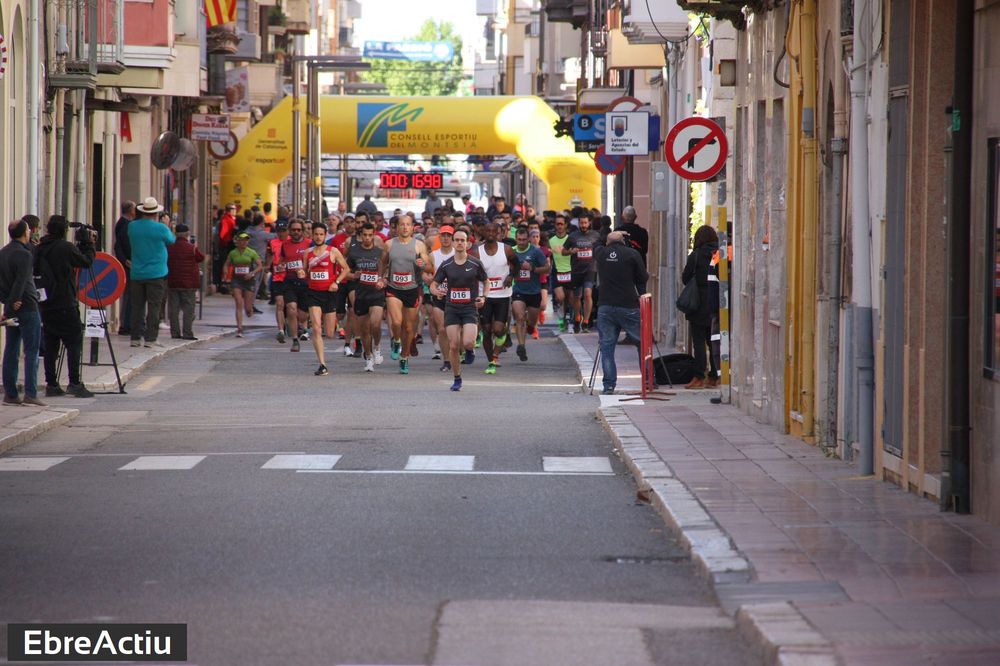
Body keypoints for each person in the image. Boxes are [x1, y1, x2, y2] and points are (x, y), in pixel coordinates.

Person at [34, 215, 97, 398]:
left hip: (46, 303)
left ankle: (52, 384)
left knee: (51, 345)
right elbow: (86, 262)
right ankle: (74, 383)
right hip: (65, 302)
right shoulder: (65, 248)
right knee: (74, 342)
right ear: (64, 230)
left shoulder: (40, 248)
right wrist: (88, 244)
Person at [430, 229, 488, 392]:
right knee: (454, 345)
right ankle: (457, 378)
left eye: (463, 240)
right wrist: (436, 291)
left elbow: (486, 281)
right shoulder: (447, 264)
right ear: (453, 243)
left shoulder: (475, 263)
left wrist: (483, 297)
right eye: (457, 240)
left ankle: (469, 350)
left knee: (468, 342)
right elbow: (434, 283)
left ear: (468, 243)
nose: (460, 243)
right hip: (452, 308)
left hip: (469, 308)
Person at [594, 232, 648, 395]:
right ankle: (647, 379)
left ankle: (609, 385)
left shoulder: (600, 253)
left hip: (605, 306)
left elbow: (596, 242)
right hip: (628, 305)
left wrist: (610, 235)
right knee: (642, 343)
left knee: (607, 347)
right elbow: (642, 277)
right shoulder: (632, 254)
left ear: (608, 241)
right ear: (623, 240)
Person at [380, 214, 433, 375]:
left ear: (412, 227)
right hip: (393, 288)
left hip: (412, 289)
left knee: (409, 327)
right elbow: (382, 262)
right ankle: (396, 340)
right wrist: (381, 277)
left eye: (407, 224)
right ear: (397, 227)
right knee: (396, 322)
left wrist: (423, 264)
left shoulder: (419, 245)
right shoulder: (389, 244)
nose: (404, 227)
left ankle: (404, 357)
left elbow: (429, 267)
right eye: (401, 224)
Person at [0, 219, 44, 406]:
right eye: (28, 230)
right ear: (25, 233)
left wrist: (6, 303)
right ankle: (31, 393)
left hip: (10, 307)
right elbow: (21, 280)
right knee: (31, 350)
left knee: (11, 349)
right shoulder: (25, 254)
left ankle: (10, 394)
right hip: (26, 305)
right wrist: (14, 302)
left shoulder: (3, 253)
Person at [127, 197, 175, 348]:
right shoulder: (161, 228)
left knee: (137, 307)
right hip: (156, 273)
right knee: (154, 307)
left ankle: (135, 338)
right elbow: (171, 240)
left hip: (137, 272)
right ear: (156, 213)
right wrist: (166, 225)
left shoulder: (132, 226)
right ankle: (151, 339)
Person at [303, 222, 350, 376]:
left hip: (329, 293)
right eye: (316, 234)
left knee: (329, 333)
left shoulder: (333, 251)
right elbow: (305, 271)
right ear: (312, 235)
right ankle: (322, 364)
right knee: (316, 328)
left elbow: (346, 269)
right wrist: (301, 273)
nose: (318, 237)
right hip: (313, 293)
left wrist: (336, 282)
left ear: (325, 235)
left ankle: (340, 327)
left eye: (321, 234)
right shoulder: (307, 253)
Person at [472, 221, 519, 375]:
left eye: (494, 231)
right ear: (483, 232)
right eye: (488, 231)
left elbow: (517, 265)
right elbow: (470, 272)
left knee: (498, 330)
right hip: (484, 295)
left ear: (498, 233)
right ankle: (491, 360)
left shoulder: (506, 249)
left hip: (502, 295)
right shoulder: (477, 252)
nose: (491, 233)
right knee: (486, 330)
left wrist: (511, 276)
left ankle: (499, 345)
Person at [682, 225, 720, 389]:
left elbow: (685, 278)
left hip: (698, 303)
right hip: (716, 301)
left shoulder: (695, 255)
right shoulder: (719, 253)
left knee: (698, 341)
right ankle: (714, 376)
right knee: (714, 340)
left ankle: (699, 376)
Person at [346, 223, 387, 372]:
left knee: (375, 324)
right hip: (361, 295)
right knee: (364, 331)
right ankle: (368, 357)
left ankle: (377, 347)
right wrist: (354, 275)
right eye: (365, 235)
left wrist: (383, 280)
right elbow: (345, 272)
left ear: (374, 235)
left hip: (376, 294)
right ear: (361, 235)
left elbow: (385, 272)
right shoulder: (353, 252)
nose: (367, 238)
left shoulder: (380, 252)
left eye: (370, 235)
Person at [511, 226, 549, 362]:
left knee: (532, 322)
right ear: (516, 239)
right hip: (518, 291)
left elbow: (547, 268)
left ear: (528, 239)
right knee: (520, 317)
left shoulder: (536, 252)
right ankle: (521, 346)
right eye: (519, 239)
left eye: (524, 240)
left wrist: (532, 268)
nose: (521, 242)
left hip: (534, 292)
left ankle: (531, 326)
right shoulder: (511, 252)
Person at [561, 212, 601, 333]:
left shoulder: (596, 236)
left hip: (590, 269)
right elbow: (563, 251)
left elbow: (601, 249)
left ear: (589, 223)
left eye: (585, 223)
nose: (583, 225)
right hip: (577, 270)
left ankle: (586, 322)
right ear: (578, 223)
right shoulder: (572, 236)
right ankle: (577, 318)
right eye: (581, 223)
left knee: (588, 293)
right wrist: (571, 251)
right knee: (577, 296)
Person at [166, 224, 204, 341]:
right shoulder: (192, 248)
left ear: (175, 234)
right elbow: (201, 258)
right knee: (188, 309)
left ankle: (175, 332)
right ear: (187, 234)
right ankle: (187, 333)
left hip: (173, 282)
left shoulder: (169, 247)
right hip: (189, 283)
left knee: (173, 309)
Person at [279, 219, 313, 352]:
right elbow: (282, 260)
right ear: (289, 231)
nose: (296, 232)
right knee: (291, 309)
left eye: (298, 230)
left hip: (305, 283)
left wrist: (305, 270)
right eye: (293, 230)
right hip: (290, 282)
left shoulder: (309, 244)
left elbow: (315, 261)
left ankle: (301, 325)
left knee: (303, 315)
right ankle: (294, 340)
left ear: (302, 231)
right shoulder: (285, 245)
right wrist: (281, 265)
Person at [222, 232, 262, 338]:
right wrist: (225, 271)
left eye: (246, 240)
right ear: (238, 241)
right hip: (237, 280)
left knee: (247, 308)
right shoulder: (233, 253)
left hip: (249, 280)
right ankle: (239, 328)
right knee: (238, 302)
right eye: (242, 240)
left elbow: (259, 266)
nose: (244, 242)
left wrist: (252, 273)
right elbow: (226, 263)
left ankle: (250, 310)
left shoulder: (252, 252)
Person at [429, 224, 455, 365]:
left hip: (456, 297)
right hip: (439, 296)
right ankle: (446, 360)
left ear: (452, 238)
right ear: (439, 237)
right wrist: (430, 282)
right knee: (442, 329)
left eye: (448, 236)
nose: (446, 238)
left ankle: (458, 353)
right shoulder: (433, 255)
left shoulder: (458, 253)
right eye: (443, 236)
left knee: (457, 330)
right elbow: (426, 273)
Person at [113, 201, 136, 334]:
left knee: (130, 295)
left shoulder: (124, 223)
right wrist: (125, 260)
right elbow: (119, 245)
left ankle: (127, 324)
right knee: (130, 295)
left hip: (128, 263)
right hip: (128, 264)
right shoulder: (125, 224)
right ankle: (127, 324)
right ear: (130, 211)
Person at [265, 222, 289, 342]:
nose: (281, 233)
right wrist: (268, 265)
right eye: (279, 231)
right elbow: (269, 255)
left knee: (290, 306)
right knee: (280, 303)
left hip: (290, 278)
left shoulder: (291, 242)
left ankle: (291, 325)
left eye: (283, 230)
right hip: (277, 278)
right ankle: (281, 330)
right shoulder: (272, 242)